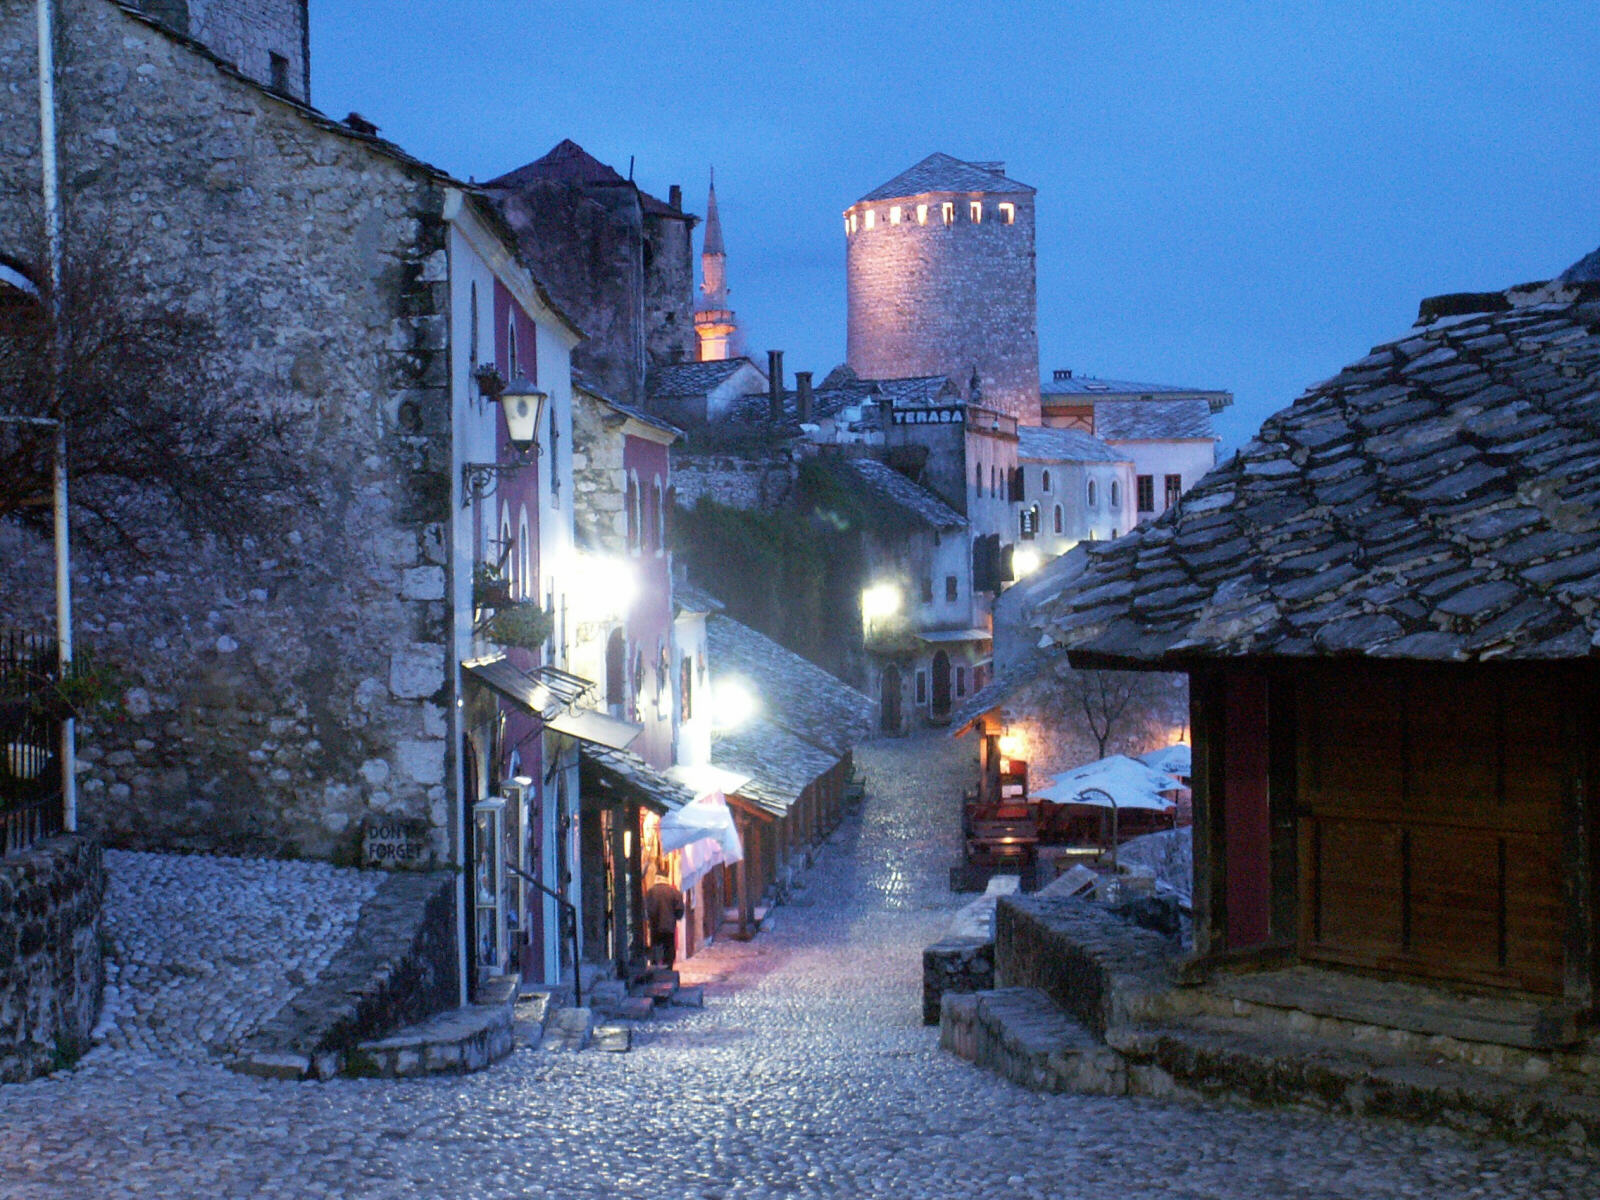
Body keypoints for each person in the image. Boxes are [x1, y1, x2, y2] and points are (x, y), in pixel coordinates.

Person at [645, 875, 684, 969]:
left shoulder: (650, 892)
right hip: (669, 926)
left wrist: (650, 920)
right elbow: (679, 910)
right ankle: (668, 968)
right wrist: (675, 917)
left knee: (655, 947)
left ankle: (655, 968)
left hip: (655, 926)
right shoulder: (674, 892)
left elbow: (646, 909)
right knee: (669, 948)